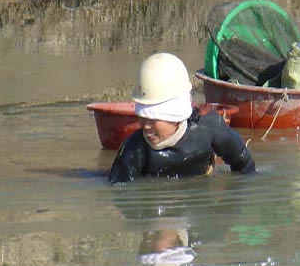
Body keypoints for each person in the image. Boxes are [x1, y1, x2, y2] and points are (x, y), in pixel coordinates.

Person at [108, 52, 256, 184]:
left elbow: (243, 163)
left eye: (153, 119)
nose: (146, 126)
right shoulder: (135, 149)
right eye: (143, 117)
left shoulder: (209, 128)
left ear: (175, 115)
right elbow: (121, 191)